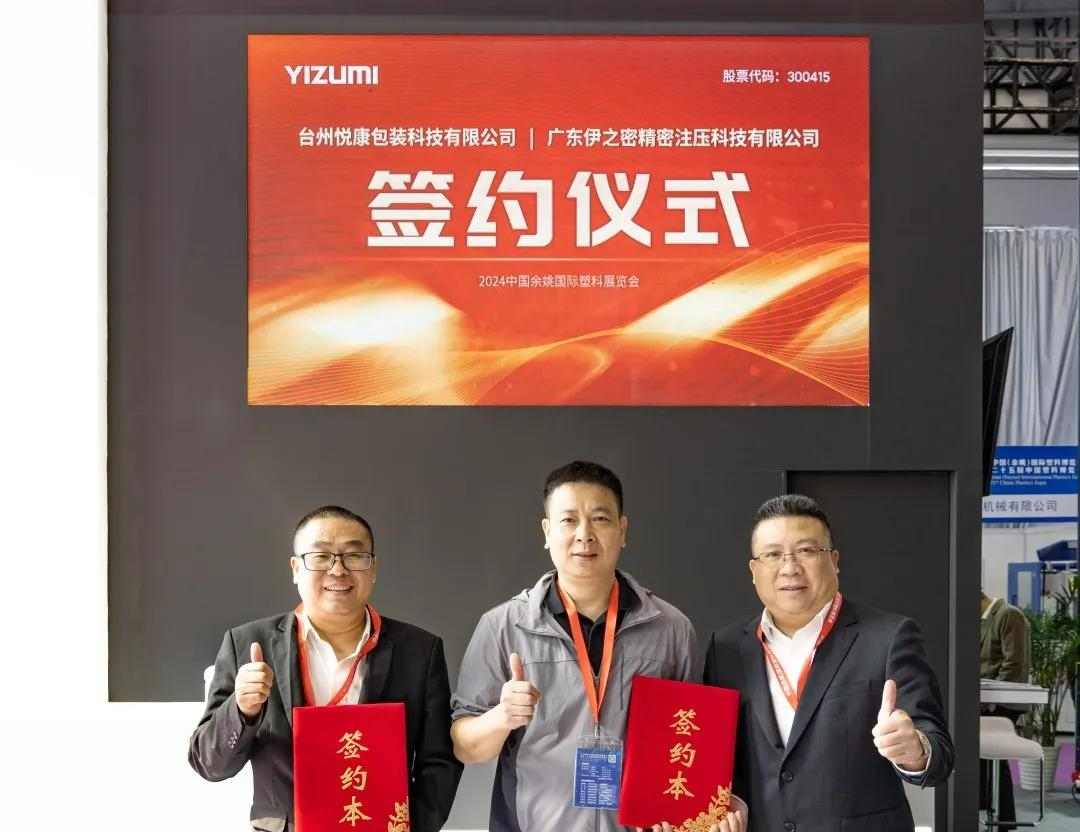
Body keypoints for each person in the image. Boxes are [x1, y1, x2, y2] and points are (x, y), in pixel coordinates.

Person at [451, 460, 745, 832]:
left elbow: (691, 745)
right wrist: (502, 717)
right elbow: (465, 747)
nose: (584, 535)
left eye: (600, 519)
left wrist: (711, 809)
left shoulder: (670, 629)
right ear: (547, 531)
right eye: (569, 520)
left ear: (622, 530)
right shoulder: (503, 626)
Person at [189, 505, 462, 832]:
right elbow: (210, 764)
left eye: (354, 556)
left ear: (373, 568)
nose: (338, 570)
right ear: (295, 569)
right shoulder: (248, 644)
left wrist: (408, 827)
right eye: (320, 556)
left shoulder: (419, 651)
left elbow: (439, 762)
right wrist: (242, 710)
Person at [704, 494, 954, 831]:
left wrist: (916, 751)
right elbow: (716, 756)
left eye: (806, 551)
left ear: (834, 560)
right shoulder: (727, 648)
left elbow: (939, 753)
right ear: (754, 570)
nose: (789, 568)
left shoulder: (888, 637)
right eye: (773, 554)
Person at [979, 590, 1030, 828]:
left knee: (995, 757)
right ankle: (995, 816)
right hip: (988, 700)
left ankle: (1004, 821)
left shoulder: (1008, 615)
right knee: (987, 759)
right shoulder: (986, 619)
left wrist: (991, 700)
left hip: (1004, 702)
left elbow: (1014, 664)